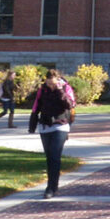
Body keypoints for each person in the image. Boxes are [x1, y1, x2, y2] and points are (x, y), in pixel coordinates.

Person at [28, 69, 76, 199]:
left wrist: (60, 90)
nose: (50, 86)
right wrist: (32, 124)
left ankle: (50, 187)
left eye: (53, 84)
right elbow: (36, 106)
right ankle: (53, 185)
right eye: (48, 83)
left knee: (55, 155)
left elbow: (70, 104)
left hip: (61, 125)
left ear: (58, 80)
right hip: (45, 126)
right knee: (49, 157)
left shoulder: (66, 88)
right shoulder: (42, 89)